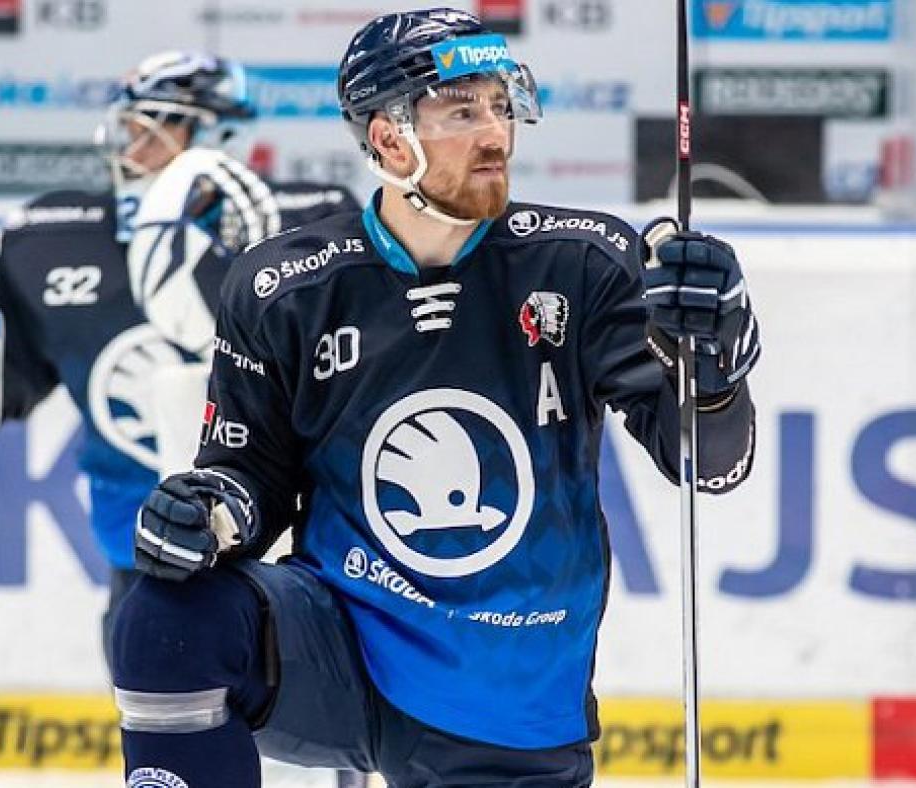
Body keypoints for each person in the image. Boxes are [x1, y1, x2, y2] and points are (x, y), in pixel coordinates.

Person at [111, 8, 761, 788]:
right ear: (389, 140)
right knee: (170, 614)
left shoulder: (584, 264)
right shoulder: (285, 286)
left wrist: (714, 375)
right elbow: (249, 475)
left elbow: (708, 467)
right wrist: (207, 512)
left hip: (504, 696)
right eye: (461, 113)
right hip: (339, 649)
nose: (495, 134)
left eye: (500, 105)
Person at [0, 50, 356, 672]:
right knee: (166, 724)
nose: (134, 147)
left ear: (222, 136)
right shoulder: (56, 241)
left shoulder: (316, 229)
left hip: (304, 557)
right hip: (150, 556)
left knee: (322, 726)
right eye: (129, 127)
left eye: (158, 128)